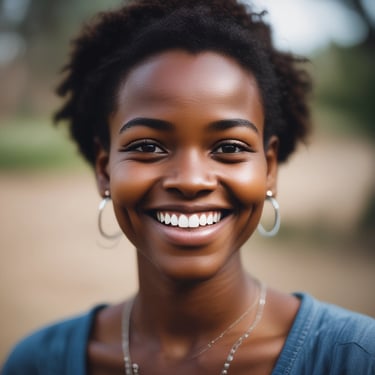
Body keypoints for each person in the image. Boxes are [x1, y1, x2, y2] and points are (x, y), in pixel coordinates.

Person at [2, 0, 375, 374]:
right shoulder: (36, 364)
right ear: (105, 170)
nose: (191, 180)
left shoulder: (356, 358)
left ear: (269, 169)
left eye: (229, 147)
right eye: (147, 146)